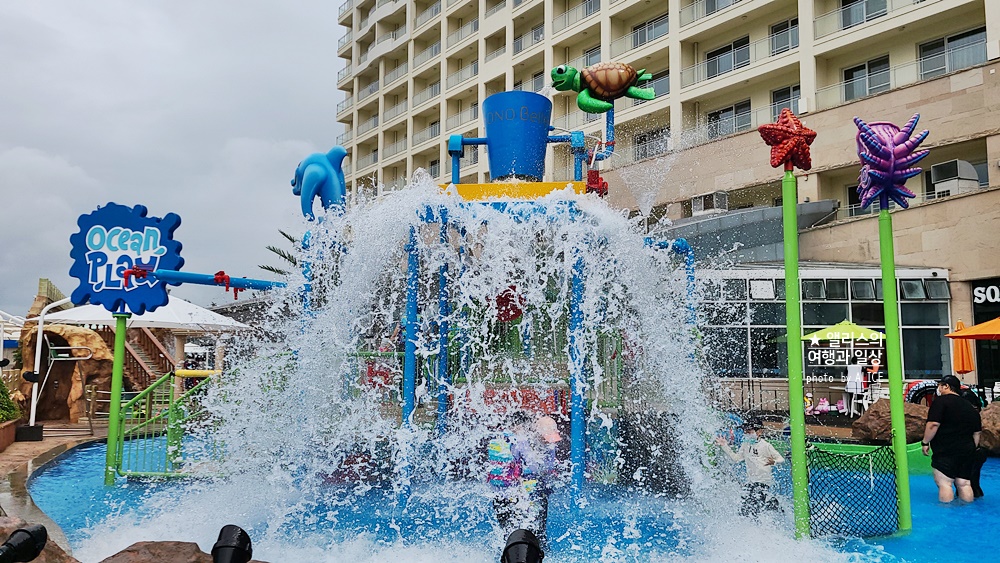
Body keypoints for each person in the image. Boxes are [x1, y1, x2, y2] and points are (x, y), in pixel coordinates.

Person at [489, 411, 561, 547]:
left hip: (504, 496)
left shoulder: (499, 441)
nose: (548, 442)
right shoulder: (520, 442)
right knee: (532, 534)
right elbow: (534, 468)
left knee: (511, 534)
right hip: (520, 496)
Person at [921, 375, 983, 503]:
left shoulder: (940, 402)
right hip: (967, 450)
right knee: (964, 483)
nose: (938, 389)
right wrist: (972, 449)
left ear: (946, 386)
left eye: (940, 385)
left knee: (945, 483)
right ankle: (968, 510)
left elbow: (933, 424)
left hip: (946, 450)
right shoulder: (969, 406)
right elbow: (977, 433)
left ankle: (946, 511)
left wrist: (925, 442)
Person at [715, 418, 784, 517]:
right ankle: (772, 504)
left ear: (759, 432)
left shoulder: (766, 446)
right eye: (745, 431)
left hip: (763, 482)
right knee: (744, 509)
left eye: (749, 431)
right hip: (751, 481)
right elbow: (736, 458)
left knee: (753, 509)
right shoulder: (745, 444)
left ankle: (771, 505)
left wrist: (773, 462)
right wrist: (724, 445)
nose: (746, 433)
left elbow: (781, 459)